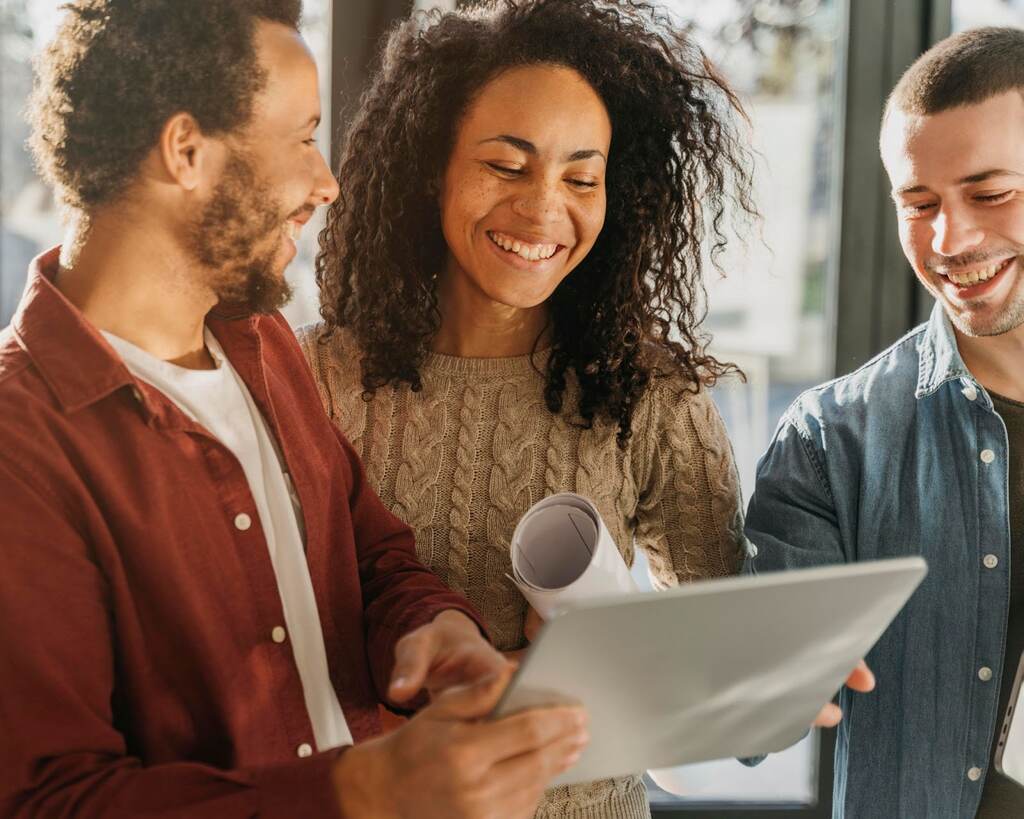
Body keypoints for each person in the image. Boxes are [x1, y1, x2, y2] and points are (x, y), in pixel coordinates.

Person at [0, 2, 591, 817]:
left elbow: (372, 555)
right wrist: (367, 788)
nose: (328, 182)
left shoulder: (262, 342)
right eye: (305, 136)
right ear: (186, 151)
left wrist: (436, 632)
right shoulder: (19, 443)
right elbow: (51, 799)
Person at [300, 1, 868, 815]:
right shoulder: (316, 377)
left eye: (581, 177)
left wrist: (757, 686)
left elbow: (703, 709)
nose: (543, 210)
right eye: (506, 165)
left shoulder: (650, 393)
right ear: (433, 166)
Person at [745, 25, 1024, 819]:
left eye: (990, 192)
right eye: (919, 203)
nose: (950, 239)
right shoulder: (831, 439)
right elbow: (756, 712)